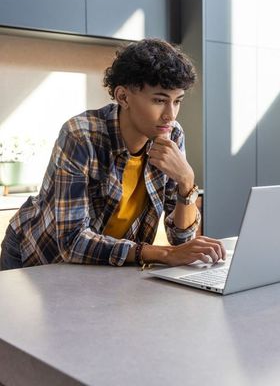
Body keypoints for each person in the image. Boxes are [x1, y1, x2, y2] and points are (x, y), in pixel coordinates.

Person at [0, 38, 225, 270]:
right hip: (36, 257)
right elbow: (71, 241)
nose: (170, 115)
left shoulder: (172, 136)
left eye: (177, 101)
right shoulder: (81, 136)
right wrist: (164, 254)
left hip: (105, 262)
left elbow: (181, 240)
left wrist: (186, 181)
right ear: (123, 97)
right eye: (159, 100)